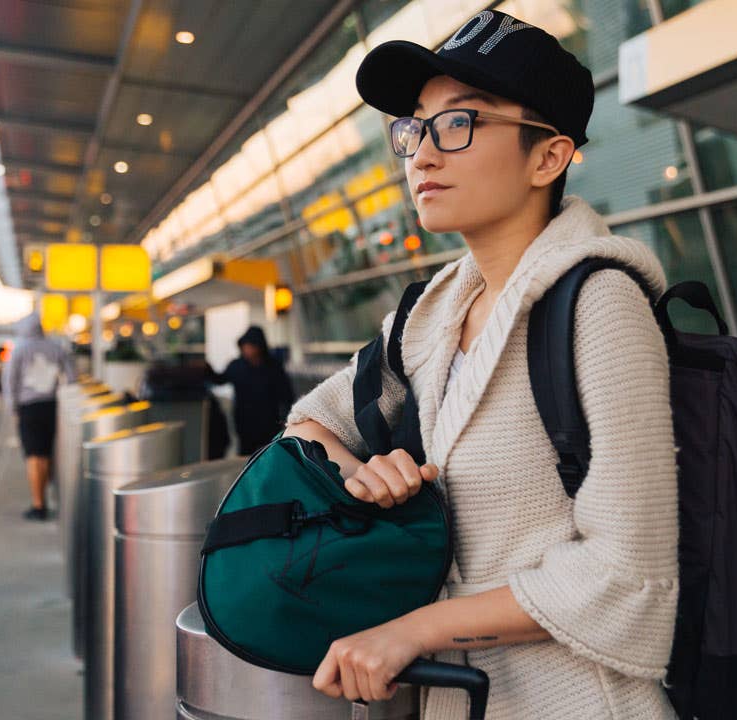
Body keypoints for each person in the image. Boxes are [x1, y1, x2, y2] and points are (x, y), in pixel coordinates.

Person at [284, 11, 679, 719]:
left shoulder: (599, 304)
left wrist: (415, 630)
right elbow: (308, 422)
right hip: (462, 698)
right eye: (415, 128)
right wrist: (360, 473)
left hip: (577, 701)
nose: (422, 156)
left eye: (459, 124)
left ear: (548, 158)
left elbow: (628, 573)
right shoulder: (430, 312)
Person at [2, 312, 76, 520]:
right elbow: (72, 378)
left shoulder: (19, 350)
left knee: (34, 457)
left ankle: (38, 504)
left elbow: (10, 382)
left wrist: (13, 409)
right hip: (51, 405)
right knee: (46, 452)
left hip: (28, 407)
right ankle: (48, 490)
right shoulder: (56, 347)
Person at [212, 326, 295, 456]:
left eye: (250, 346)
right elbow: (220, 379)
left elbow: (286, 395)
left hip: (269, 423)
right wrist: (206, 370)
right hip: (244, 422)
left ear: (259, 346)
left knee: (270, 456)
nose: (247, 349)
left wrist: (285, 419)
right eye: (245, 346)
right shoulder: (237, 365)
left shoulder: (273, 367)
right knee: (245, 457)